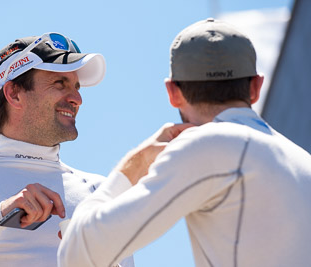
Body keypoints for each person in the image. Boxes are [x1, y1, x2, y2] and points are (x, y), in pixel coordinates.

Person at [58, 18, 311, 267]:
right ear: (255, 87)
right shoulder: (303, 160)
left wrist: (134, 165)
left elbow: (78, 253)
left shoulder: (206, 145)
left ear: (173, 93)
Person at [0, 33, 134, 266]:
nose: (77, 98)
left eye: (77, 87)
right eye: (60, 83)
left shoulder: (100, 192)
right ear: (14, 94)